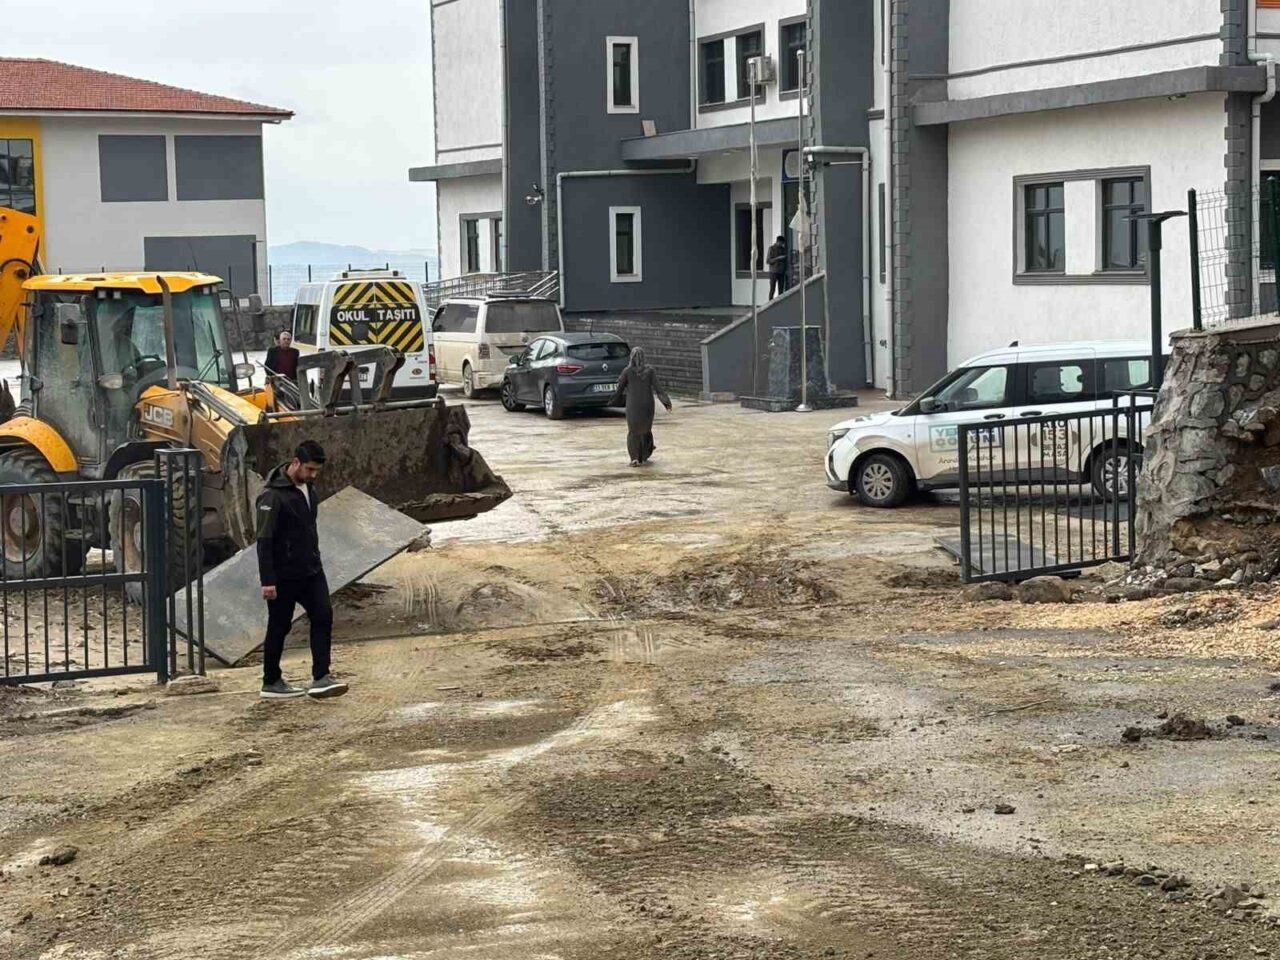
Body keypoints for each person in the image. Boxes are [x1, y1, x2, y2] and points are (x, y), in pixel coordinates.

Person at [255, 440, 348, 700]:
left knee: (323, 616)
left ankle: (321, 678)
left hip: (311, 571)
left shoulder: (308, 488)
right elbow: (264, 540)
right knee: (279, 626)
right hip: (283, 576)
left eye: (316, 470)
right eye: (309, 469)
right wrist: (268, 580)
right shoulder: (271, 497)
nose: (312, 475)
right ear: (295, 462)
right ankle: (271, 681)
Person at [608, 347, 672, 467]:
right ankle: (645, 453)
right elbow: (659, 389)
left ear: (631, 357)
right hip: (647, 405)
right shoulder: (650, 370)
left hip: (633, 405)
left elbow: (619, 389)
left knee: (633, 431)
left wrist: (611, 402)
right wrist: (666, 403)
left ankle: (635, 458)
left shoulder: (627, 371)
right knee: (646, 430)